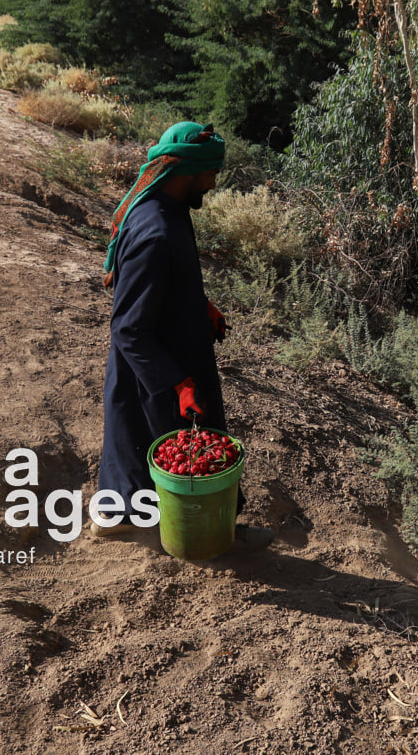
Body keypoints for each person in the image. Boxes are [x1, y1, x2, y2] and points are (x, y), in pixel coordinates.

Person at [93, 120, 270, 550]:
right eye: (210, 173)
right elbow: (128, 327)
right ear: (187, 173)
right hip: (160, 364)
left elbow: (161, 286)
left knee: (133, 441)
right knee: (188, 453)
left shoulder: (167, 209)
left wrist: (198, 305)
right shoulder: (155, 233)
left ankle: (120, 516)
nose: (213, 182)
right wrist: (180, 382)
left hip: (166, 349)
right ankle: (207, 539)